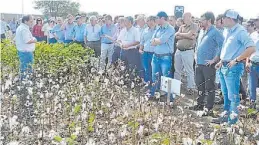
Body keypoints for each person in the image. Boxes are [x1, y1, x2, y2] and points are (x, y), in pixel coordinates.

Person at [212, 10, 255, 125]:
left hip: (233, 67)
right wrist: (221, 60)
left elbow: (251, 48)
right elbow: (228, 49)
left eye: (224, 18)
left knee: (233, 95)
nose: (222, 20)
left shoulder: (240, 32)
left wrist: (236, 60)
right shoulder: (227, 31)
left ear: (230, 19)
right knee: (225, 93)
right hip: (224, 65)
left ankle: (232, 120)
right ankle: (226, 115)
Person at [189, 12, 224, 116]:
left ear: (209, 20)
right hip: (199, 64)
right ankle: (199, 104)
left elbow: (223, 46)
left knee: (209, 87)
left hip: (208, 65)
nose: (200, 21)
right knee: (200, 85)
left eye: (203, 19)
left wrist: (215, 59)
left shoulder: (215, 32)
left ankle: (208, 108)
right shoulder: (202, 31)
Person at [149, 11, 175, 100]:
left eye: (157, 18)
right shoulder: (158, 28)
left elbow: (161, 40)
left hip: (165, 57)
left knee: (167, 78)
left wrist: (156, 41)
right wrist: (157, 40)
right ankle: (154, 94)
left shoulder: (170, 29)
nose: (156, 20)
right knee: (154, 76)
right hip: (156, 56)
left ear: (162, 18)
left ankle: (170, 99)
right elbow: (151, 41)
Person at [174, 12, 198, 94]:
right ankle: (176, 86)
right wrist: (187, 35)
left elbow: (190, 35)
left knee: (189, 70)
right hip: (179, 50)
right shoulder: (181, 26)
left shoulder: (194, 25)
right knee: (177, 70)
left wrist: (181, 34)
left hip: (188, 51)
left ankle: (191, 88)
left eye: (185, 17)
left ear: (189, 17)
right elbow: (176, 36)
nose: (183, 18)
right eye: (183, 17)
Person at [15, 15, 37, 80]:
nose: (32, 23)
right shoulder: (24, 29)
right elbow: (27, 41)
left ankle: (23, 80)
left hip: (23, 51)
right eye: (31, 21)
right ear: (25, 21)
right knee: (27, 68)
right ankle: (25, 81)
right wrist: (34, 40)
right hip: (26, 52)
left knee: (23, 67)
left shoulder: (21, 27)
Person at [139, 16, 157, 89]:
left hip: (154, 53)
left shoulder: (158, 30)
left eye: (152, 20)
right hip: (145, 52)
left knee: (154, 70)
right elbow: (142, 41)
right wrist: (140, 49)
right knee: (147, 69)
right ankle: (147, 84)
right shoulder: (145, 30)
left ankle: (154, 86)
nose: (150, 22)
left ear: (155, 21)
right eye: (149, 20)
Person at [246, 15, 259, 109]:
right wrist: (247, 61)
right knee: (252, 87)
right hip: (253, 64)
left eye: (257, 20)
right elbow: (249, 49)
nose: (256, 22)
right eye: (255, 21)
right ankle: (252, 107)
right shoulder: (253, 35)